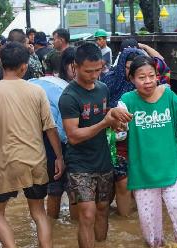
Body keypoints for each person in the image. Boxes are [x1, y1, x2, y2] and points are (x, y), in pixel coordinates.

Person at [0, 41, 65, 247]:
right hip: (35, 161)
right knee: (38, 213)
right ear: (24, 67)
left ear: (1, 65)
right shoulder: (37, 92)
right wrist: (59, 158)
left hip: (5, 164)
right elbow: (50, 128)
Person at [59, 43, 132, 248]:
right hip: (79, 163)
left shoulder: (103, 88)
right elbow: (73, 136)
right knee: (87, 214)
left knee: (102, 209)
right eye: (88, 71)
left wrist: (115, 119)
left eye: (98, 70)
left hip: (103, 159)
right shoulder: (69, 96)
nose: (94, 75)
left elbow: (103, 114)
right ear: (75, 66)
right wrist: (105, 123)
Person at [118, 55, 177, 247]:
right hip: (142, 171)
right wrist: (113, 118)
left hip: (170, 167)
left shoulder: (168, 95)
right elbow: (117, 129)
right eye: (142, 77)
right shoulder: (126, 102)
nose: (148, 81)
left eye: (151, 75)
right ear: (132, 79)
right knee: (149, 222)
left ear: (157, 75)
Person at [29, 47, 77, 220]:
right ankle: (63, 232)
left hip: (50, 144)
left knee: (64, 190)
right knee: (65, 189)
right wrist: (60, 156)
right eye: (75, 66)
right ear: (66, 66)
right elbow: (57, 129)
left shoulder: (41, 83)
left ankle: (57, 230)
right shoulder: (60, 89)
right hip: (57, 144)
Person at [101, 47, 144, 217]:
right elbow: (101, 109)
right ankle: (122, 219)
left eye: (135, 68)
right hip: (115, 139)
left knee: (134, 181)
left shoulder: (144, 85)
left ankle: (127, 218)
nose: (130, 72)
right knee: (120, 181)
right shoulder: (109, 81)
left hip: (138, 138)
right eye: (127, 68)